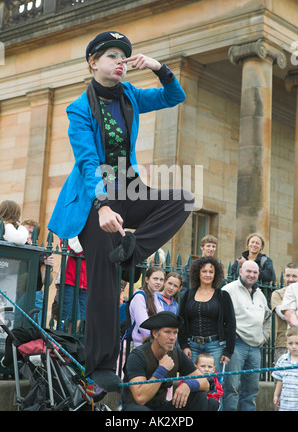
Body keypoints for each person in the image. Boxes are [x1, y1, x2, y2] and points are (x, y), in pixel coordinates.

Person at [48, 31, 193, 392]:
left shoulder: (129, 95)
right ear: (93, 62)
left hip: (128, 187)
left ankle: (133, 247)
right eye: (111, 55)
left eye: (124, 57)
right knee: (104, 284)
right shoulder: (80, 108)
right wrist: (101, 207)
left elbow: (176, 95)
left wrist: (157, 67)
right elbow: (87, 161)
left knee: (183, 198)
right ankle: (99, 368)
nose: (119, 62)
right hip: (95, 199)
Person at [121, 311, 210, 411]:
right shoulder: (137, 356)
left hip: (161, 406)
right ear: (155, 333)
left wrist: (188, 384)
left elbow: (205, 383)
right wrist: (162, 369)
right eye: (167, 332)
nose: (172, 337)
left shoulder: (176, 353)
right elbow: (140, 398)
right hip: (136, 407)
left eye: (175, 332)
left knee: (201, 397)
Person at [221, 260, 271, 411]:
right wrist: (229, 337)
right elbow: (220, 317)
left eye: (255, 272)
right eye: (248, 271)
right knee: (231, 388)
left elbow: (267, 317)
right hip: (236, 346)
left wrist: (265, 336)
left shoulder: (260, 294)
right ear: (240, 271)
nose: (252, 275)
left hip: (256, 348)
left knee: (251, 390)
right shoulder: (228, 290)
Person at [178, 256, 236, 375]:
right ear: (198, 273)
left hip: (216, 347)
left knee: (212, 385)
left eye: (211, 272)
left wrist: (228, 351)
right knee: (192, 382)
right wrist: (184, 345)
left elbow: (230, 323)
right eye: (204, 271)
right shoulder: (188, 294)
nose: (207, 275)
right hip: (192, 346)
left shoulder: (222, 295)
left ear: (216, 274)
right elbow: (181, 321)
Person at [22, 218, 55, 324]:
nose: (28, 235)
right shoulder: (14, 247)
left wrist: (48, 268)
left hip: (34, 295)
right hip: (16, 292)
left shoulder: (41, 253)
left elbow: (47, 281)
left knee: (34, 329)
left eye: (31, 233)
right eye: (26, 231)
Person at [129, 267, 165, 347]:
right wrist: (159, 338)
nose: (158, 282)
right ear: (147, 279)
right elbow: (143, 325)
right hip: (141, 345)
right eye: (155, 279)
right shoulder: (139, 297)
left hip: (154, 343)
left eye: (161, 279)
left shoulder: (157, 297)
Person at [271, 263, 298, 363]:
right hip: (284, 343)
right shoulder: (277, 294)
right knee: (281, 375)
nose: (290, 279)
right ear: (283, 276)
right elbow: (285, 316)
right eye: (288, 275)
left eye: (294, 276)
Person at [60, 237, 87, 333]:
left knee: (84, 325)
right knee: (74, 322)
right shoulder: (68, 229)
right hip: (70, 281)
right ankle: (66, 347)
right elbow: (77, 250)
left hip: (86, 285)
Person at [272, 327, 298, 411]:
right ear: (286, 344)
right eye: (290, 343)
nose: (294, 346)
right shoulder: (283, 360)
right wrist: (276, 395)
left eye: (297, 343)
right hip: (285, 403)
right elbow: (279, 380)